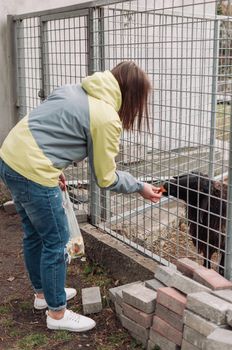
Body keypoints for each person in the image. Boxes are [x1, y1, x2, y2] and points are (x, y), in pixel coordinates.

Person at [0, 61, 162, 332]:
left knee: (34, 234)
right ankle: (58, 314)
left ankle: (43, 295)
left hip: (9, 158)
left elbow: (49, 131)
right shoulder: (105, 117)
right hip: (34, 171)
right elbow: (106, 177)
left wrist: (56, 167)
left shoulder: (74, 89)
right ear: (132, 95)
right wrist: (139, 186)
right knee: (57, 242)